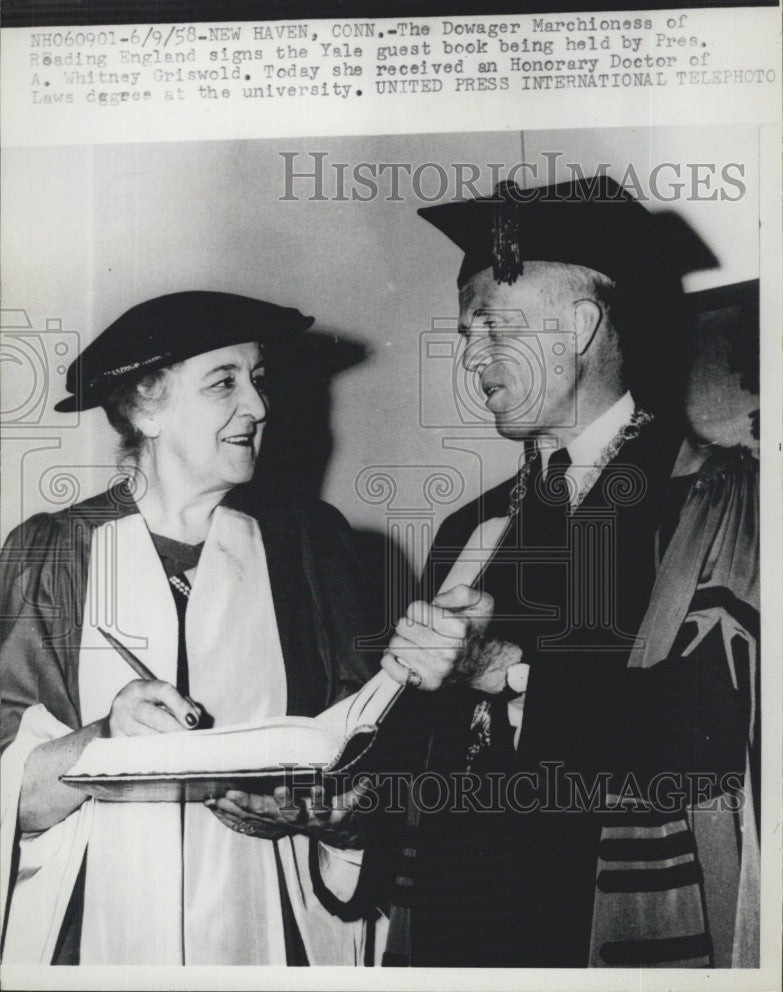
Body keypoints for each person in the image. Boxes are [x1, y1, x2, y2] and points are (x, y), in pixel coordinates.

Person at [375, 177, 759, 967]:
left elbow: (716, 727)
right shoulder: (471, 529)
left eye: (493, 328)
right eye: (463, 335)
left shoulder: (716, 498)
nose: (471, 357)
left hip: (603, 930)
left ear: (580, 327)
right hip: (462, 930)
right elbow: (426, 757)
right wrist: (332, 797)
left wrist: (507, 676)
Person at [0, 291, 377, 966]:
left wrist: (324, 811)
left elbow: (365, 768)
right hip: (91, 936)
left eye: (258, 381)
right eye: (223, 383)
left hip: (270, 924)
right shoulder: (56, 553)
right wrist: (107, 741)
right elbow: (12, 799)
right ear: (146, 408)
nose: (259, 407)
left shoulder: (311, 549)